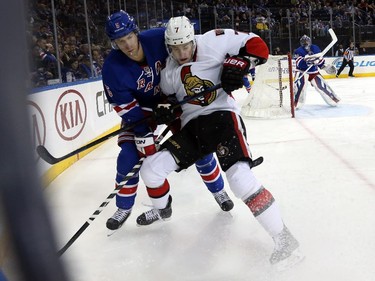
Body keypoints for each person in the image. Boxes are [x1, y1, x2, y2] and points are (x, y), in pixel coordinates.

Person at [136, 16, 303, 268]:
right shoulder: (168, 72)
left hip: (223, 118)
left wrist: (241, 63)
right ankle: (163, 209)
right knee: (150, 170)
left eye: (186, 46)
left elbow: (259, 47)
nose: (182, 53)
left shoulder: (216, 40)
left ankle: (284, 239)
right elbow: (170, 105)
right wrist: (165, 110)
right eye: (175, 48)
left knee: (239, 179)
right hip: (192, 128)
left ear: (193, 39)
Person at [101, 11, 233, 231]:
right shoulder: (112, 69)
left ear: (136, 32)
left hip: (175, 101)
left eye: (129, 37)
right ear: (114, 43)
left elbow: (191, 51)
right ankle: (133, 207)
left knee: (199, 146)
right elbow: (126, 107)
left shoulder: (160, 39)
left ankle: (218, 190)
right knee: (129, 156)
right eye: (120, 41)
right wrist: (144, 133)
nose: (128, 45)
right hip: (142, 111)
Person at [294, 35, 340, 109]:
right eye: (304, 42)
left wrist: (323, 66)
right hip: (302, 72)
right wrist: (308, 61)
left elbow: (321, 61)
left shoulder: (315, 48)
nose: (306, 43)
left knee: (322, 86)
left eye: (307, 42)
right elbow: (299, 63)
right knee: (301, 86)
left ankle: (333, 99)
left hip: (313, 71)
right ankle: (296, 103)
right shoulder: (298, 51)